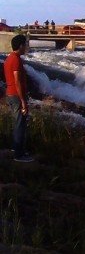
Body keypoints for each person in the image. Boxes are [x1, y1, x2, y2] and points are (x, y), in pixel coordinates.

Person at [4, 34, 33, 162]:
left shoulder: (10, 58)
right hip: (16, 95)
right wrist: (23, 101)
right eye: (25, 44)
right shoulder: (15, 60)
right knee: (20, 124)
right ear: (20, 46)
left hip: (11, 94)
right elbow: (17, 82)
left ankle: (16, 148)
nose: (26, 47)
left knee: (18, 123)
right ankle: (19, 155)